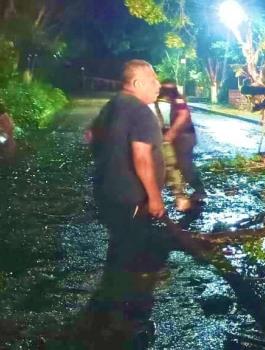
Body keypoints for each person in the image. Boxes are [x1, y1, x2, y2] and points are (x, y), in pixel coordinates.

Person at [83, 59, 168, 349]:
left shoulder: (112, 105)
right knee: (130, 255)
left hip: (107, 194)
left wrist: (109, 165)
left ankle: (103, 311)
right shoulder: (141, 112)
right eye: (153, 79)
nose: (159, 85)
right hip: (131, 199)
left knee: (119, 247)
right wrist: (154, 197)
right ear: (136, 83)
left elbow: (90, 136)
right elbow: (142, 157)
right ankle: (118, 325)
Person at [156, 79, 206, 211]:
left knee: (185, 166)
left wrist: (171, 134)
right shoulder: (159, 101)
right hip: (169, 139)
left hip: (184, 138)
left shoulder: (178, 100)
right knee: (170, 166)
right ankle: (177, 195)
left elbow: (183, 116)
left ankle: (199, 190)